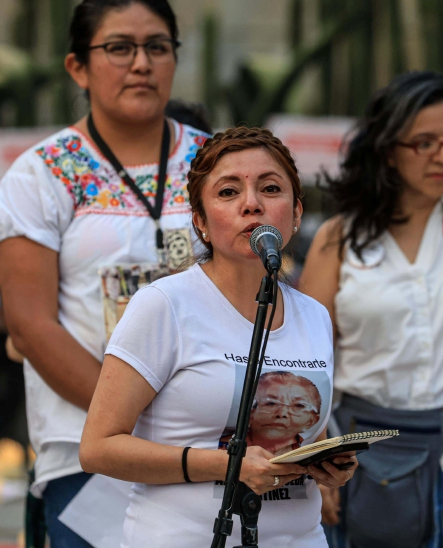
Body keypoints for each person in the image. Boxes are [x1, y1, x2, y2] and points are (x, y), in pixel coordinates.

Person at [0, 0, 210, 547]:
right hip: (92, 448)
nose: (141, 63)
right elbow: (31, 324)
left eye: (157, 47)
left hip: (213, 443)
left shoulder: (215, 160)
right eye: (119, 47)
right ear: (78, 67)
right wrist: (134, 414)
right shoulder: (40, 174)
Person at [79, 126, 358, 548]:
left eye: (270, 188)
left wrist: (324, 461)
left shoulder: (313, 315)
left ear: (296, 214)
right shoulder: (165, 305)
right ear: (200, 222)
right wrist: (226, 464)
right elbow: (98, 448)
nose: (252, 204)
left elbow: (299, 432)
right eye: (228, 192)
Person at [300, 71, 443, 547]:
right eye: (424, 141)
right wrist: (312, 451)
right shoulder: (340, 238)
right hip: (363, 450)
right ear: (389, 149)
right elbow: (302, 355)